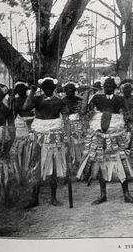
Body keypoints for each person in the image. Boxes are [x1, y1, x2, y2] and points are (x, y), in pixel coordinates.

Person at [77, 76, 133, 204]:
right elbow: (84, 112)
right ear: (103, 86)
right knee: (100, 161)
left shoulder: (120, 99)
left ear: (115, 87)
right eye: (106, 84)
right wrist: (87, 94)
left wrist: (131, 124)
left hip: (116, 133)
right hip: (98, 133)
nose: (108, 87)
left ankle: (126, 194)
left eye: (111, 85)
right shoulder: (97, 97)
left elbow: (128, 114)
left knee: (120, 160)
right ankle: (102, 194)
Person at [23, 76, 69, 208]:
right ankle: (34, 198)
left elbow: (66, 116)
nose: (48, 89)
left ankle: (53, 197)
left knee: (54, 167)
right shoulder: (37, 99)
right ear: (42, 88)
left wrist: (67, 136)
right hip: (39, 135)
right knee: (36, 166)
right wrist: (32, 91)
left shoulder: (59, 101)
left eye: (51, 87)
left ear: (54, 88)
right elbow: (26, 107)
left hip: (55, 136)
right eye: (45, 87)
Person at [9, 81, 35, 186]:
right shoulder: (14, 100)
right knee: (19, 151)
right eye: (18, 89)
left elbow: (36, 110)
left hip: (32, 123)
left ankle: (29, 174)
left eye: (22, 88)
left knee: (30, 149)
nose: (20, 91)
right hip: (19, 124)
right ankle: (20, 175)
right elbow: (12, 113)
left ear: (26, 89)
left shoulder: (31, 99)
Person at [62, 81, 86, 170]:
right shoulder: (62, 101)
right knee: (68, 145)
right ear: (65, 91)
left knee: (79, 146)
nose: (69, 91)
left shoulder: (79, 100)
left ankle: (80, 167)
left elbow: (83, 113)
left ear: (74, 90)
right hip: (66, 125)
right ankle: (68, 167)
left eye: (71, 89)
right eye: (67, 89)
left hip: (78, 126)